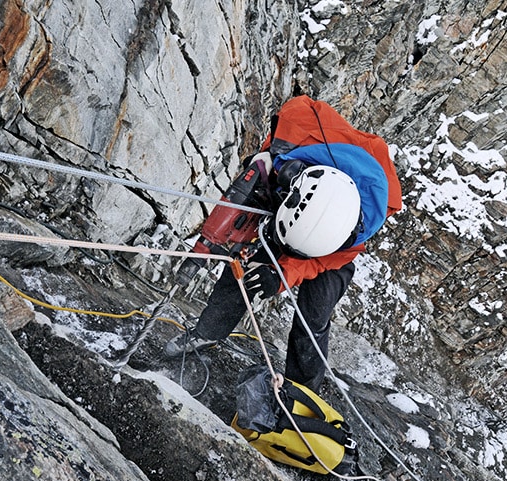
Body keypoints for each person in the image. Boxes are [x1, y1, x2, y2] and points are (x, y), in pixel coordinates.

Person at [164, 95, 402, 393]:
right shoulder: (298, 134)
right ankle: (207, 332)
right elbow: (292, 117)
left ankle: (301, 390)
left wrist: (281, 276)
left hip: (331, 246)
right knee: (248, 266)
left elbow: (321, 261)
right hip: (300, 188)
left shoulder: (362, 221)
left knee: (314, 314)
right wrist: (269, 162)